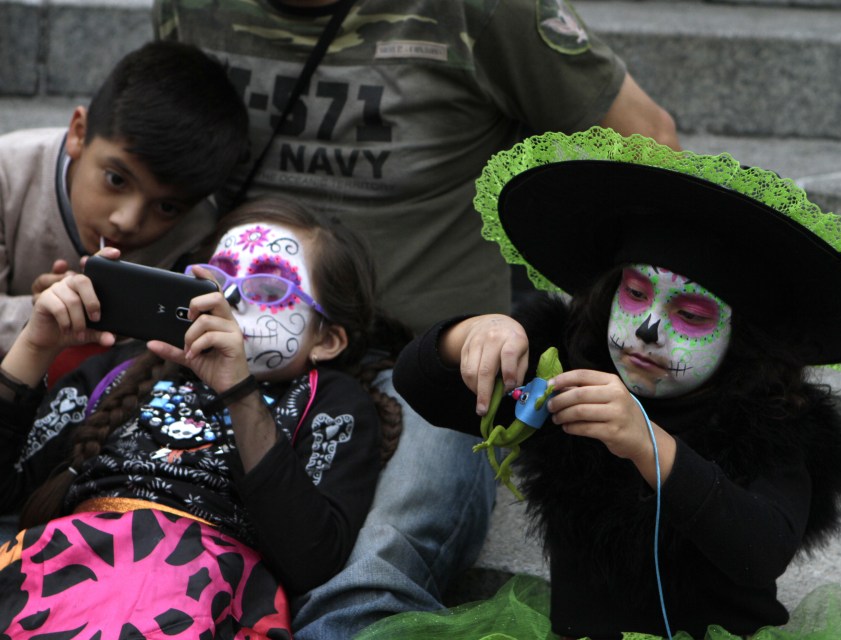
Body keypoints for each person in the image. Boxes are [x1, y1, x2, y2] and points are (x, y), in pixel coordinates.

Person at [152, 1, 681, 635]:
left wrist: (602, 329)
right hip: (224, 331)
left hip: (426, 363)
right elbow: (166, 140)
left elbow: (648, 141)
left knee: (375, 574)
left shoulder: (481, 9)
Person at [379, 128, 841, 639]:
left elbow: (761, 551)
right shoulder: (567, 370)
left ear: (743, 340)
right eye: (636, 294)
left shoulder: (772, 423)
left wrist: (651, 447)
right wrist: (471, 333)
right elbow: (420, 386)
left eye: (690, 314)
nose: (647, 330)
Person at [0, 196, 408, 636]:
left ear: (326, 340)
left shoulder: (332, 401)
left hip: (203, 594)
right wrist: (36, 346)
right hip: (60, 572)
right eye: (216, 279)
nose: (228, 299)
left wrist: (239, 391)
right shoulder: (121, 369)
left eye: (267, 290)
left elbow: (312, 557)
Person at [0, 40, 249, 354]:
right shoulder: (7, 173)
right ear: (79, 132)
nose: (127, 221)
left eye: (167, 207)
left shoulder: (197, 233)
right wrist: (40, 313)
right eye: (116, 179)